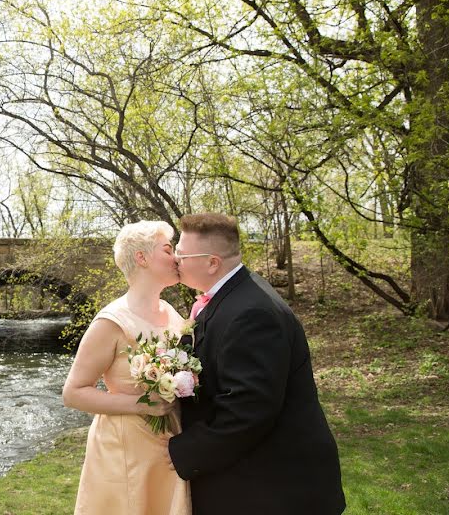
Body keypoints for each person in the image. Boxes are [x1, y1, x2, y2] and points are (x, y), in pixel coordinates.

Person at [167, 213, 345, 515]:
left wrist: (182, 452)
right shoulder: (232, 296)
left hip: (276, 489)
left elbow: (249, 410)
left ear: (212, 263)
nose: (175, 260)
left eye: (182, 254)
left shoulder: (252, 313)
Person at [63, 221, 191, 515]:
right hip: (125, 446)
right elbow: (73, 393)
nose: (177, 258)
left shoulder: (171, 313)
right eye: (168, 249)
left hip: (170, 440)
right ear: (141, 258)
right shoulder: (111, 321)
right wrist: (142, 405)